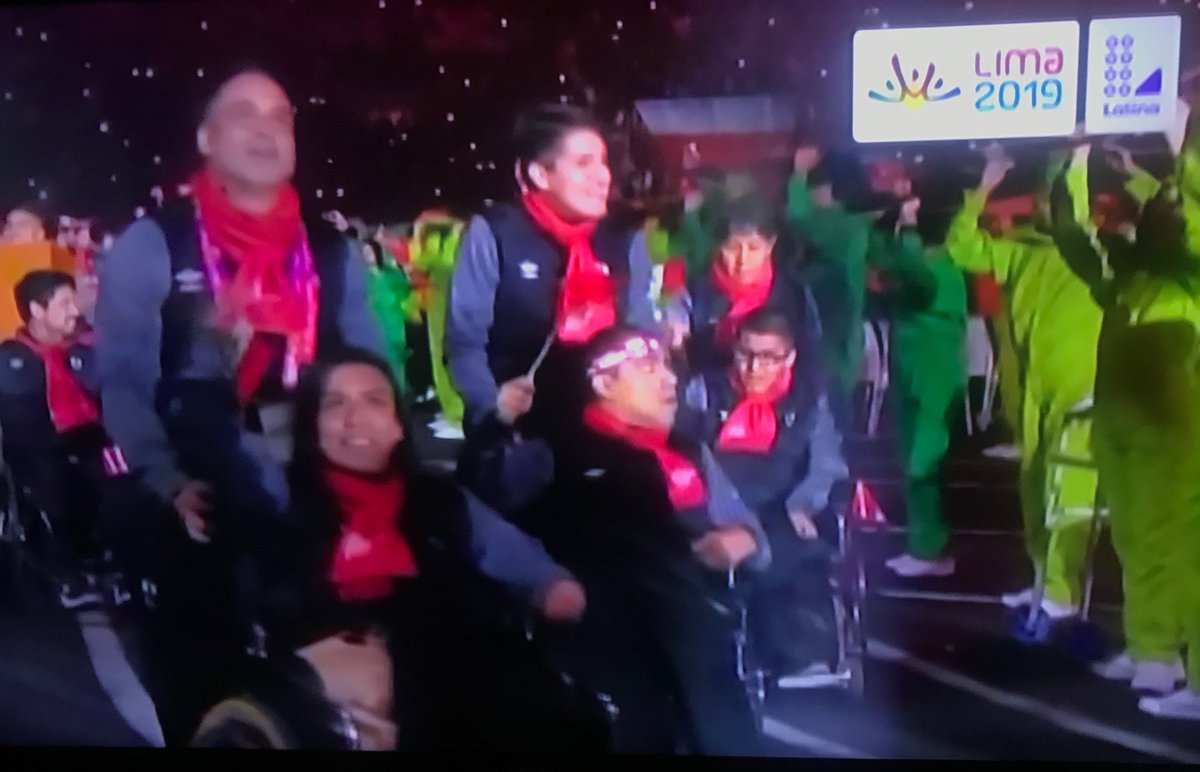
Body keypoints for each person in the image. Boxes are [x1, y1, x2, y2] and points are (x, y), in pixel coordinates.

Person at [93, 66, 384, 744]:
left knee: (323, 698)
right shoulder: (156, 243)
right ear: (207, 136)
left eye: (281, 116)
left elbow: (369, 371)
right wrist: (169, 483)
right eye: (244, 113)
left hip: (314, 507)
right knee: (205, 695)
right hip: (197, 513)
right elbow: (126, 382)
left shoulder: (331, 250)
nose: (266, 128)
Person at [244, 349, 592, 750]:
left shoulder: (438, 499)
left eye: (374, 401)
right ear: (313, 427)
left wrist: (552, 585)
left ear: (397, 424)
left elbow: (511, 554)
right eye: (335, 405)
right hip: (329, 679)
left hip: (438, 666)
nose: (354, 419)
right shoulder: (280, 498)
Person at [531, 325, 769, 755]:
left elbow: (751, 533)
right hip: (607, 637)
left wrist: (743, 539)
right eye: (647, 368)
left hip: (695, 625)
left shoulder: (689, 451)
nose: (670, 379)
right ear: (604, 384)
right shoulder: (554, 454)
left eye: (666, 366)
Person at [1049, 137, 1200, 716]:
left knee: (1181, 550)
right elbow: (1070, 235)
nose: (1167, 212)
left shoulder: (1189, 281)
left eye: (1175, 208)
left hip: (1175, 438)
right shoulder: (1125, 278)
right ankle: (1154, 652)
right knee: (1135, 542)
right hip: (1122, 432)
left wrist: (1179, 156)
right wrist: (1075, 161)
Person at [944, 147, 1101, 618]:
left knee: (1069, 491)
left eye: (1056, 199)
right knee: (1035, 486)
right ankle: (1046, 582)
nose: (1046, 207)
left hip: (1083, 390)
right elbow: (960, 246)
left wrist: (1078, 159)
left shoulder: (1095, 251)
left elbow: (1077, 203)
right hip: (1036, 390)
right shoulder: (1021, 252)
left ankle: (1065, 590)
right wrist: (985, 186)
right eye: (1044, 199)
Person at [447, 103, 657, 446]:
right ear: (540, 174)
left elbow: (646, 331)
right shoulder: (496, 231)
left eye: (603, 162)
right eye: (583, 163)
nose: (602, 176)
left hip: (607, 432)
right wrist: (491, 403)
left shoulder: (624, 238)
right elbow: (465, 340)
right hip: (515, 433)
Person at [677, 308, 848, 685]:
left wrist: (803, 503)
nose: (754, 367)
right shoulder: (705, 390)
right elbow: (684, 452)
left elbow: (826, 463)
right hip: (718, 504)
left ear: (789, 358)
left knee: (789, 547)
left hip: (783, 508)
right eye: (745, 353)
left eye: (768, 357)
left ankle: (794, 651)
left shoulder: (807, 401)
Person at [0, 271, 120, 608]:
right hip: (46, 454)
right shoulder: (13, 359)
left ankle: (118, 556)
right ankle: (68, 574)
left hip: (93, 444)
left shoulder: (87, 348)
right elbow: (24, 432)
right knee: (50, 482)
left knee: (126, 473)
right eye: (65, 303)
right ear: (38, 310)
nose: (75, 310)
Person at [873, 197, 968, 577]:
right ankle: (925, 546)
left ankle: (929, 550)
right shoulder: (928, 272)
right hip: (916, 378)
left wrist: (906, 227)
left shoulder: (936, 272)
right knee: (915, 463)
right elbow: (894, 270)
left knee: (921, 464)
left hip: (932, 382)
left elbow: (907, 267)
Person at [687, 190, 822, 378]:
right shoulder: (696, 291)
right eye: (732, 248)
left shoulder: (793, 293)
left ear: (770, 245)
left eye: (754, 248)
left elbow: (811, 362)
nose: (742, 260)